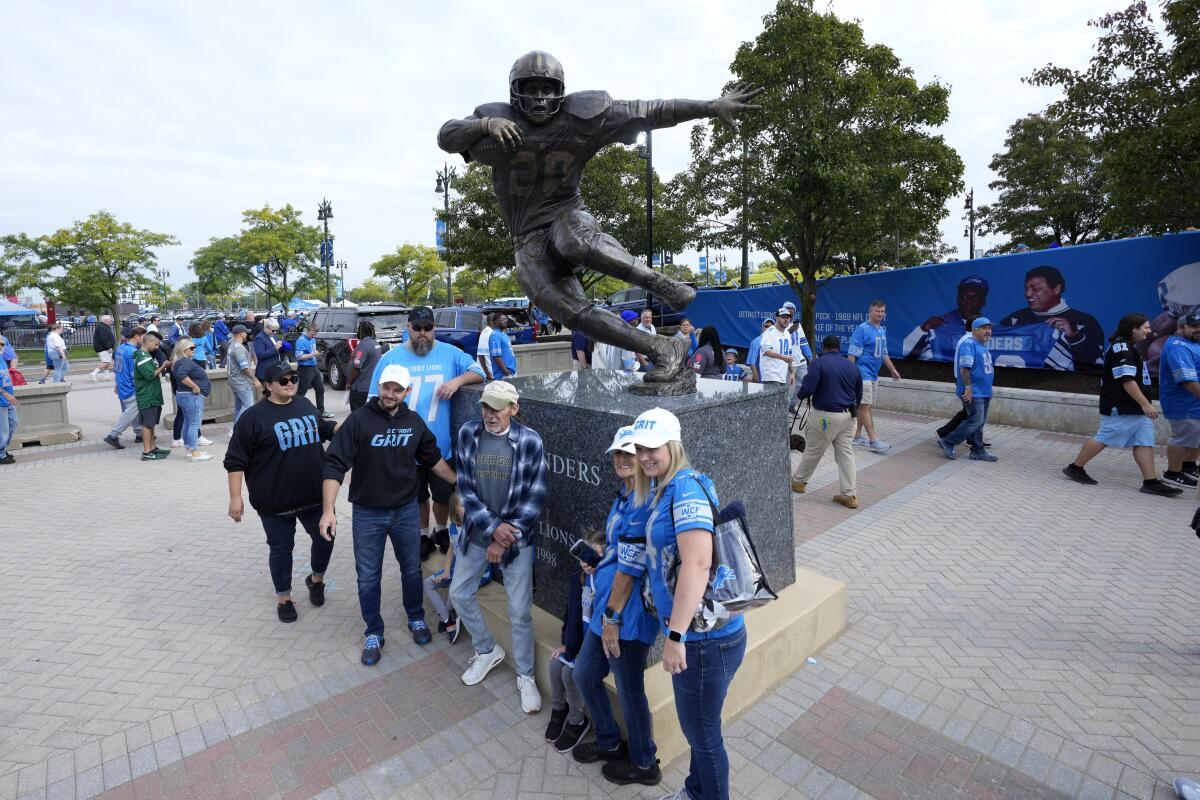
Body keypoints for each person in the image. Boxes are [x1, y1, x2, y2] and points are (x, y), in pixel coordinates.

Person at [438, 52, 760, 386]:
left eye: (547, 89)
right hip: (526, 236)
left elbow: (651, 110)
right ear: (514, 92)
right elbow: (447, 136)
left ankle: (661, 284)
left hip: (567, 212)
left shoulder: (582, 116)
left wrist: (710, 106)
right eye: (530, 89)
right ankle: (664, 349)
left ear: (560, 91)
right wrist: (485, 125)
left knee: (572, 240)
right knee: (571, 313)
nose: (539, 98)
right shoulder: (495, 121)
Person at [630, 407, 746, 800]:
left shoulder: (685, 488)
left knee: (704, 736)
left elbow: (697, 564)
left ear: (673, 445)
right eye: (640, 448)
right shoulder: (667, 486)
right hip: (706, 638)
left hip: (702, 642)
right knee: (703, 728)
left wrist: (675, 637)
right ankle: (696, 791)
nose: (645, 456)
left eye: (653, 448)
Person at [320, 364, 458, 664]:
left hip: (406, 511)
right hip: (368, 513)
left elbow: (434, 461)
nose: (390, 394)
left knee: (410, 568)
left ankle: (416, 617)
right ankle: (373, 631)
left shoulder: (415, 422)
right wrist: (328, 511)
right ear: (378, 387)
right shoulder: (358, 421)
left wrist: (461, 483)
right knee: (368, 575)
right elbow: (334, 465)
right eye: (386, 388)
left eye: (397, 389)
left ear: (407, 392)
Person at [449, 380, 547, 714]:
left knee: (519, 612)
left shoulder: (531, 441)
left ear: (514, 409)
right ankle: (487, 649)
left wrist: (506, 536)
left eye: (497, 407)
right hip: (478, 535)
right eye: (486, 407)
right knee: (459, 593)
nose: (490, 414)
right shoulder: (468, 434)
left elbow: (536, 497)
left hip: (517, 542)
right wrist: (493, 531)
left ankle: (526, 675)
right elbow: (465, 487)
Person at [571, 426, 661, 786]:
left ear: (643, 456)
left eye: (629, 453)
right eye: (617, 454)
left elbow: (636, 566)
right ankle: (609, 742)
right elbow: (619, 550)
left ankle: (644, 763)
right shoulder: (623, 495)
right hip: (605, 607)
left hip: (628, 616)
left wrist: (613, 616)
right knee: (584, 674)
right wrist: (599, 557)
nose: (622, 460)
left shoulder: (647, 501)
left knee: (629, 688)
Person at [366, 306, 485, 560]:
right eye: (417, 328)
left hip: (440, 446)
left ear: (434, 329)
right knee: (417, 495)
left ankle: (441, 530)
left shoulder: (451, 353)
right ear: (408, 327)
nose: (423, 333)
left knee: (443, 495)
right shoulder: (391, 359)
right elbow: (373, 399)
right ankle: (422, 534)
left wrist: (457, 381)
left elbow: (480, 372)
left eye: (428, 328)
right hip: (404, 446)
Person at [225, 362, 339, 623]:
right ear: (268, 385)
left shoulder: (304, 404)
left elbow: (322, 428)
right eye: (282, 380)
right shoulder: (253, 418)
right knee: (281, 549)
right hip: (274, 501)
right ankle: (284, 598)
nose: (290, 383)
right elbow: (235, 460)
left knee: (326, 538)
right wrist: (235, 496)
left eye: (293, 378)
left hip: (314, 495)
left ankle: (316, 580)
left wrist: (344, 429)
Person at [1062, 314, 1181, 496]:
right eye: (1146, 327)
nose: (1150, 331)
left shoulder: (1129, 347)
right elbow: (1127, 380)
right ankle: (1075, 467)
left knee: (1144, 442)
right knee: (1104, 437)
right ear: (1133, 329)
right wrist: (1145, 404)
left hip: (1134, 407)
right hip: (1122, 405)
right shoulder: (1122, 349)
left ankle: (1150, 482)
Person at [545, 527, 604, 755]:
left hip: (599, 648)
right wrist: (567, 644)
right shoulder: (578, 579)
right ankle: (559, 711)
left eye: (594, 555)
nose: (586, 561)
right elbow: (571, 616)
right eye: (583, 555)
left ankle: (577, 720)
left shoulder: (606, 581)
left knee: (570, 673)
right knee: (555, 663)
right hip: (580, 644)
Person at [790, 335, 864, 507]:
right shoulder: (851, 366)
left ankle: (799, 481)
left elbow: (807, 389)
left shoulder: (819, 363)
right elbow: (858, 394)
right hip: (848, 416)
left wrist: (801, 396)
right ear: (839, 348)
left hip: (825, 416)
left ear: (824, 348)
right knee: (846, 454)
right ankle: (849, 494)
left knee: (814, 450)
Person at [1001, 265, 1104, 369]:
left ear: (1056, 289)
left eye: (1035, 289)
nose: (1028, 294)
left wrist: (1073, 336)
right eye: (1026, 289)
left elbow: (1097, 363)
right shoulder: (1014, 320)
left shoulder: (1084, 321)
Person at [936, 318, 999, 462]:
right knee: (975, 421)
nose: (988, 331)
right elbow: (964, 369)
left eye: (989, 328)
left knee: (979, 421)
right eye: (984, 328)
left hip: (983, 391)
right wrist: (969, 388)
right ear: (974, 330)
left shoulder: (981, 344)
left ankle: (977, 450)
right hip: (973, 391)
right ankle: (948, 441)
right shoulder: (968, 344)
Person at [848, 300, 901, 452]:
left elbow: (884, 353)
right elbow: (852, 354)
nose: (880, 314)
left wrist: (892, 369)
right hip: (863, 374)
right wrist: (850, 375)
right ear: (870, 312)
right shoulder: (862, 329)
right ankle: (873, 440)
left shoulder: (881, 330)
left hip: (873, 374)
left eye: (882, 311)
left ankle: (856, 437)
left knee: (865, 406)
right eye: (877, 311)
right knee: (866, 407)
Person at [1157, 310, 1200, 488]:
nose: (1198, 330)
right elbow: (1187, 381)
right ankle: (1173, 474)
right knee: (1183, 438)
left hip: (1194, 402)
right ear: (1181, 327)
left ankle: (1188, 467)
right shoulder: (1178, 347)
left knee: (1196, 436)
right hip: (1183, 403)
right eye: (1194, 327)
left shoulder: (1192, 343)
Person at [902, 275, 988, 361]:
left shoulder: (991, 328)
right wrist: (923, 330)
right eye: (965, 297)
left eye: (975, 298)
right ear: (957, 298)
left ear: (983, 301)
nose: (969, 301)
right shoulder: (937, 326)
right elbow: (907, 354)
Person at [170, 337, 212, 463]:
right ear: (184, 349)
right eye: (192, 348)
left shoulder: (179, 361)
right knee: (194, 424)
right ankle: (194, 452)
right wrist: (194, 386)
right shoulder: (184, 362)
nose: (194, 350)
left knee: (188, 423)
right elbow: (182, 375)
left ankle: (190, 449)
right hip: (191, 396)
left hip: (184, 395)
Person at [133, 331, 172, 461]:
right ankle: (147, 451)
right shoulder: (142, 357)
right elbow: (150, 375)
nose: (156, 347)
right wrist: (163, 366)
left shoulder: (147, 355)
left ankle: (152, 448)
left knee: (151, 424)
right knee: (147, 424)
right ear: (148, 342)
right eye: (155, 344)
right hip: (147, 396)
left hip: (153, 396)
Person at [103, 327, 144, 450]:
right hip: (130, 387)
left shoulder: (120, 348)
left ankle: (139, 434)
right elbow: (134, 373)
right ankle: (113, 435)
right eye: (143, 336)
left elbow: (117, 368)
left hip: (123, 384)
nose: (144, 339)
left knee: (133, 411)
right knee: (130, 412)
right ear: (136, 336)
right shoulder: (133, 352)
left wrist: (117, 384)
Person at [294, 322, 330, 419]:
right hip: (305, 369)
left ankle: (321, 411)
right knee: (301, 392)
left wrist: (316, 355)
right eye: (312, 334)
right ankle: (295, 412)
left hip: (314, 367)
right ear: (307, 331)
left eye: (315, 334)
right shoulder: (301, 340)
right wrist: (313, 355)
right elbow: (299, 356)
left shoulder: (312, 338)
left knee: (320, 389)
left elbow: (312, 351)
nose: (313, 336)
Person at [226, 325, 260, 424]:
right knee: (248, 405)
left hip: (234, 380)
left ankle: (235, 428)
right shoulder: (239, 348)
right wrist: (255, 379)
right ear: (241, 333)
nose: (246, 334)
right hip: (241, 382)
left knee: (239, 406)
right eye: (245, 332)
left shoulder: (231, 345)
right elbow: (244, 367)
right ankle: (237, 429)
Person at [347, 321, 381, 411]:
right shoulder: (376, 344)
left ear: (361, 331)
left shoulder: (363, 345)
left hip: (360, 389)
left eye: (358, 330)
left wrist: (349, 383)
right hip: (372, 387)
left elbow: (356, 368)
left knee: (358, 417)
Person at [757, 308, 795, 385]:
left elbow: (789, 356)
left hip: (783, 376)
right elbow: (766, 351)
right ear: (777, 318)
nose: (786, 319)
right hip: (770, 376)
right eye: (783, 317)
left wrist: (792, 373)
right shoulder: (769, 332)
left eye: (788, 317)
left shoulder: (787, 334)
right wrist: (783, 357)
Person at [488, 315, 518, 380]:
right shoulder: (495, 335)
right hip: (503, 375)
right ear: (495, 322)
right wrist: (506, 372)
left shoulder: (504, 334)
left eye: (506, 319)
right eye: (503, 320)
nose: (506, 321)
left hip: (512, 372)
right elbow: (496, 356)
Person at [0, 357, 18, 465]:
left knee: (13, 423)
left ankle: (2, 449)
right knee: (3, 430)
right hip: (2, 400)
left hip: (9, 400)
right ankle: (1, 454)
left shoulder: (1, 358)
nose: (2, 346)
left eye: (3, 344)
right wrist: (5, 394)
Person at [90, 314, 116, 381]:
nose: (111, 320)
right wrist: (108, 347)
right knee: (105, 362)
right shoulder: (102, 327)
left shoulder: (104, 326)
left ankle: (106, 376)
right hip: (103, 348)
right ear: (106, 320)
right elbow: (103, 338)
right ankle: (93, 373)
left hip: (104, 348)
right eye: (110, 319)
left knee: (108, 362)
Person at [746, 318, 772, 382]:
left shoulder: (775, 340)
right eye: (766, 326)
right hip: (761, 377)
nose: (768, 328)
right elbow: (752, 360)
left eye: (771, 327)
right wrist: (755, 374)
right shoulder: (756, 341)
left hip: (774, 375)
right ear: (762, 327)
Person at [477, 314, 496, 380]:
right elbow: (481, 354)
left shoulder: (493, 332)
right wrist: (487, 373)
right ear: (491, 321)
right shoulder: (487, 333)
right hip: (489, 374)